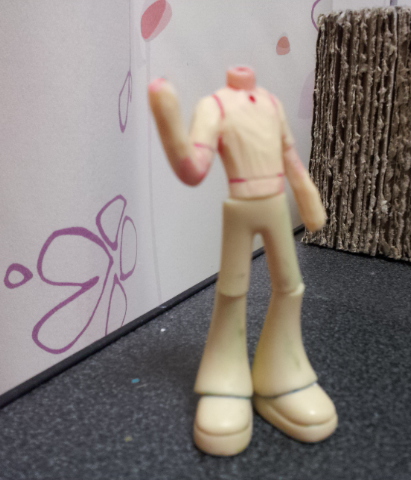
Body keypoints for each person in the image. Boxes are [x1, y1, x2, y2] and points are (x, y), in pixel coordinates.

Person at [148, 66, 337, 456]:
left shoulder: (270, 104)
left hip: (275, 206)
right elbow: (193, 169)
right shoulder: (214, 106)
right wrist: (169, 121)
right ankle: (225, 381)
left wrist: (307, 195)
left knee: (291, 286)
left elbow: (290, 158)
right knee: (232, 291)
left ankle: (282, 376)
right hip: (241, 207)